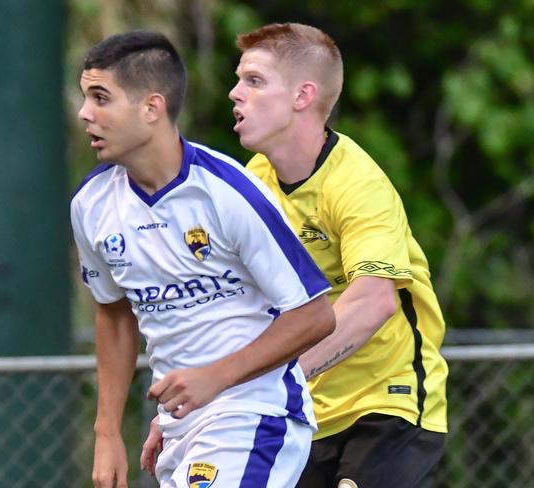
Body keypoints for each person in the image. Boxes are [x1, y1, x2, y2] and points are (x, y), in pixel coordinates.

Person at [142, 22, 449, 488]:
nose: (234, 93)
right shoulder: (255, 181)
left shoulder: (357, 184)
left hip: (388, 405)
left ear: (302, 96)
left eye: (254, 80)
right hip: (305, 412)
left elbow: (373, 302)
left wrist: (250, 380)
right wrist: (180, 414)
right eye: (239, 78)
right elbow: (236, 310)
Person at [70, 29, 335, 488]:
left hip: (255, 414)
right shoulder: (91, 205)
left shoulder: (228, 192)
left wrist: (217, 377)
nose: (85, 114)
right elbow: (113, 314)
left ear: (151, 108)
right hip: (179, 427)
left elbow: (314, 315)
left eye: (100, 98)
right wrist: (107, 431)